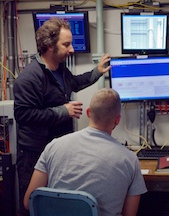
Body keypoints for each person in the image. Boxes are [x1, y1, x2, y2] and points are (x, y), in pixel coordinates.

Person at [13, 18, 111, 216]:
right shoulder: (29, 78)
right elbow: (23, 115)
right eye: (66, 44)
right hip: (34, 155)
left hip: (58, 152)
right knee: (32, 205)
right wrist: (63, 111)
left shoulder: (59, 70)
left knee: (56, 206)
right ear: (49, 47)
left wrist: (97, 72)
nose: (72, 49)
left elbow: (74, 82)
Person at [23, 88, 147, 216]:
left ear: (88, 112)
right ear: (117, 120)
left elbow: (29, 202)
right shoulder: (130, 159)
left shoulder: (53, 146)